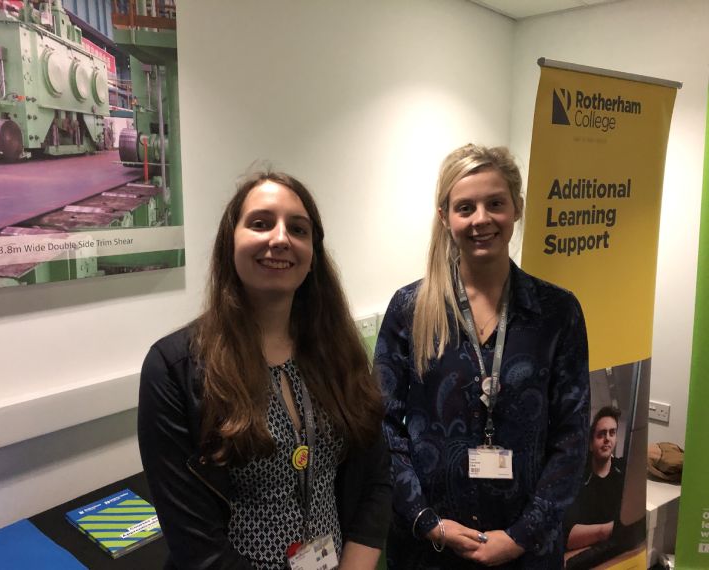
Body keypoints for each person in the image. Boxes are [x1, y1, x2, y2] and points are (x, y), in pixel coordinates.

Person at [138, 170, 391, 569]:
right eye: (260, 223)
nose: (280, 238)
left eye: (298, 229)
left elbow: (375, 476)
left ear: (313, 253)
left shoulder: (339, 352)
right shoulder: (174, 369)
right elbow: (196, 546)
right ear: (230, 242)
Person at [375, 144, 590, 569]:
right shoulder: (409, 310)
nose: (481, 219)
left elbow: (572, 436)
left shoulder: (557, 312)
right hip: (429, 550)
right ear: (445, 217)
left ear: (516, 208)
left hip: (526, 552)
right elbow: (382, 425)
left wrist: (521, 536)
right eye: (465, 207)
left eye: (495, 203)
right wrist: (427, 521)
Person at [564, 406, 625, 551]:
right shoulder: (577, 476)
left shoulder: (623, 471)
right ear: (590, 444)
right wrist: (612, 529)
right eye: (601, 434)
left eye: (612, 433)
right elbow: (568, 537)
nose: (607, 439)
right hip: (582, 553)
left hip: (615, 551)